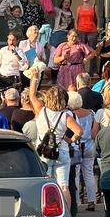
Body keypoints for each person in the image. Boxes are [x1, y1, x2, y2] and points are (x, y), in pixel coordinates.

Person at [29, 76, 83, 206]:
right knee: (63, 185)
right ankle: (66, 215)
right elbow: (80, 131)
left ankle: (45, 210)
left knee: (44, 184)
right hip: (61, 151)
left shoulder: (41, 110)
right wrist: (70, 140)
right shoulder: (66, 116)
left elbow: (32, 95)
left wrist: (35, 78)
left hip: (43, 152)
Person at [67, 91, 99, 212]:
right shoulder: (91, 113)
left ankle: (76, 201)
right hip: (90, 145)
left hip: (76, 146)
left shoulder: (69, 115)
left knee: (75, 174)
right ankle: (91, 201)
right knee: (89, 173)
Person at [75, 0, 99, 77]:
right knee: (81, 50)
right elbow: (76, 19)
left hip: (92, 31)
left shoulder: (93, 7)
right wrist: (77, 29)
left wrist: (97, 28)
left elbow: (98, 19)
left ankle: (93, 71)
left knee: (92, 50)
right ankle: (81, 69)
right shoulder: (79, 7)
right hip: (81, 30)